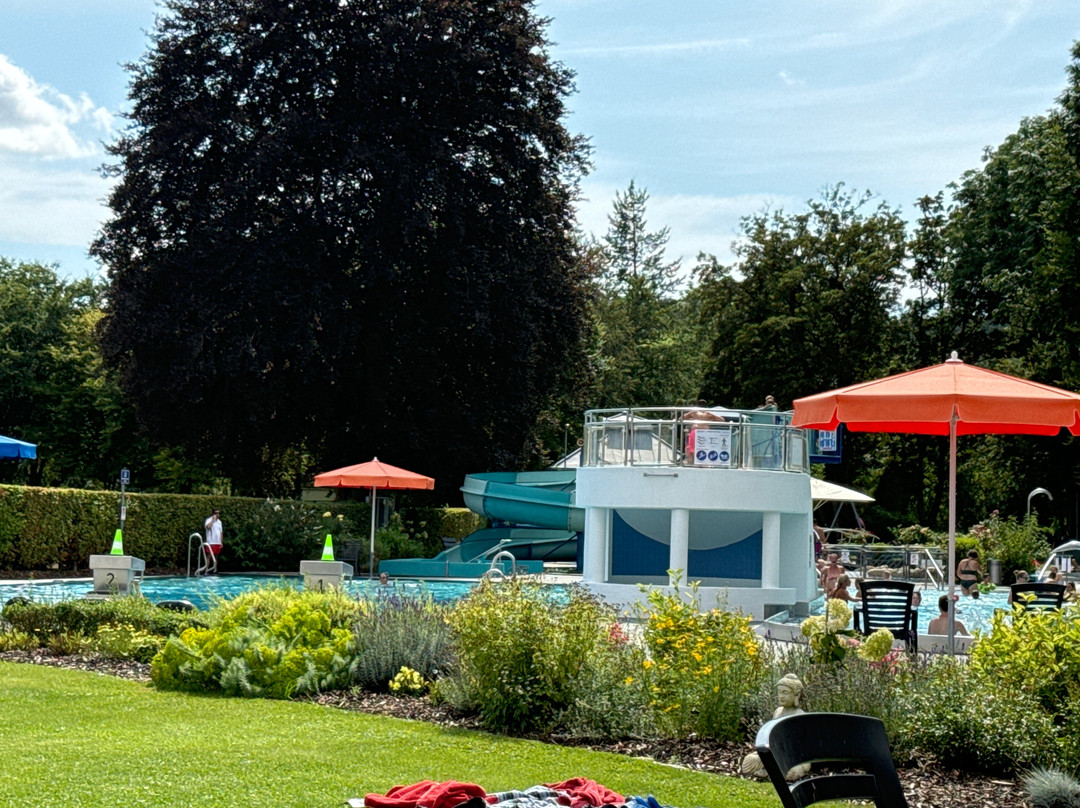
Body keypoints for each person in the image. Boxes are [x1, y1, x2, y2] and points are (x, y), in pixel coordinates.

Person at [203, 508, 223, 573]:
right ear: (213, 514)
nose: (217, 514)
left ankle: (215, 569)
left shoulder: (219, 522)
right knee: (209, 556)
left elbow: (221, 532)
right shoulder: (208, 520)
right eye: (216, 513)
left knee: (216, 556)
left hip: (217, 542)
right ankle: (206, 569)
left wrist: (221, 542)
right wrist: (213, 521)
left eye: (218, 513)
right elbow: (207, 527)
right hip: (210, 542)